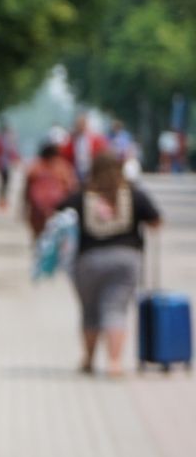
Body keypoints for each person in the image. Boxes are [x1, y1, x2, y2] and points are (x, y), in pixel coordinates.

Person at [63, 149, 164, 376]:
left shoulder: (81, 195)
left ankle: (88, 360)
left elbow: (59, 214)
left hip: (88, 260)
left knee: (90, 311)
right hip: (126, 259)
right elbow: (156, 220)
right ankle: (115, 362)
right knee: (116, 309)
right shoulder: (133, 193)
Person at [23, 139, 78, 242]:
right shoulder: (63, 168)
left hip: (38, 212)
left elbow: (26, 190)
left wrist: (24, 207)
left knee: (39, 239)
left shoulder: (35, 167)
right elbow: (71, 188)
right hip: (57, 211)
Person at [0, 124, 19, 210]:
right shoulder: (7, 140)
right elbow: (12, 151)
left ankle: (2, 199)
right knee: (4, 182)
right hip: (4, 164)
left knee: (3, 182)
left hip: (2, 163)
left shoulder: (0, 139)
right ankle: (2, 200)